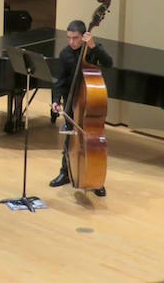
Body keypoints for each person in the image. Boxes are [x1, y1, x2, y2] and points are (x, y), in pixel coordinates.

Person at [49, 20, 113, 197]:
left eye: (75, 38)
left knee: (93, 143)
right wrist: (56, 100)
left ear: (84, 36)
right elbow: (59, 81)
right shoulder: (65, 54)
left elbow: (109, 63)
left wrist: (93, 47)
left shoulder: (92, 50)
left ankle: (96, 179)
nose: (71, 42)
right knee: (70, 138)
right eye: (69, 38)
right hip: (73, 102)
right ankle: (65, 172)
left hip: (89, 103)